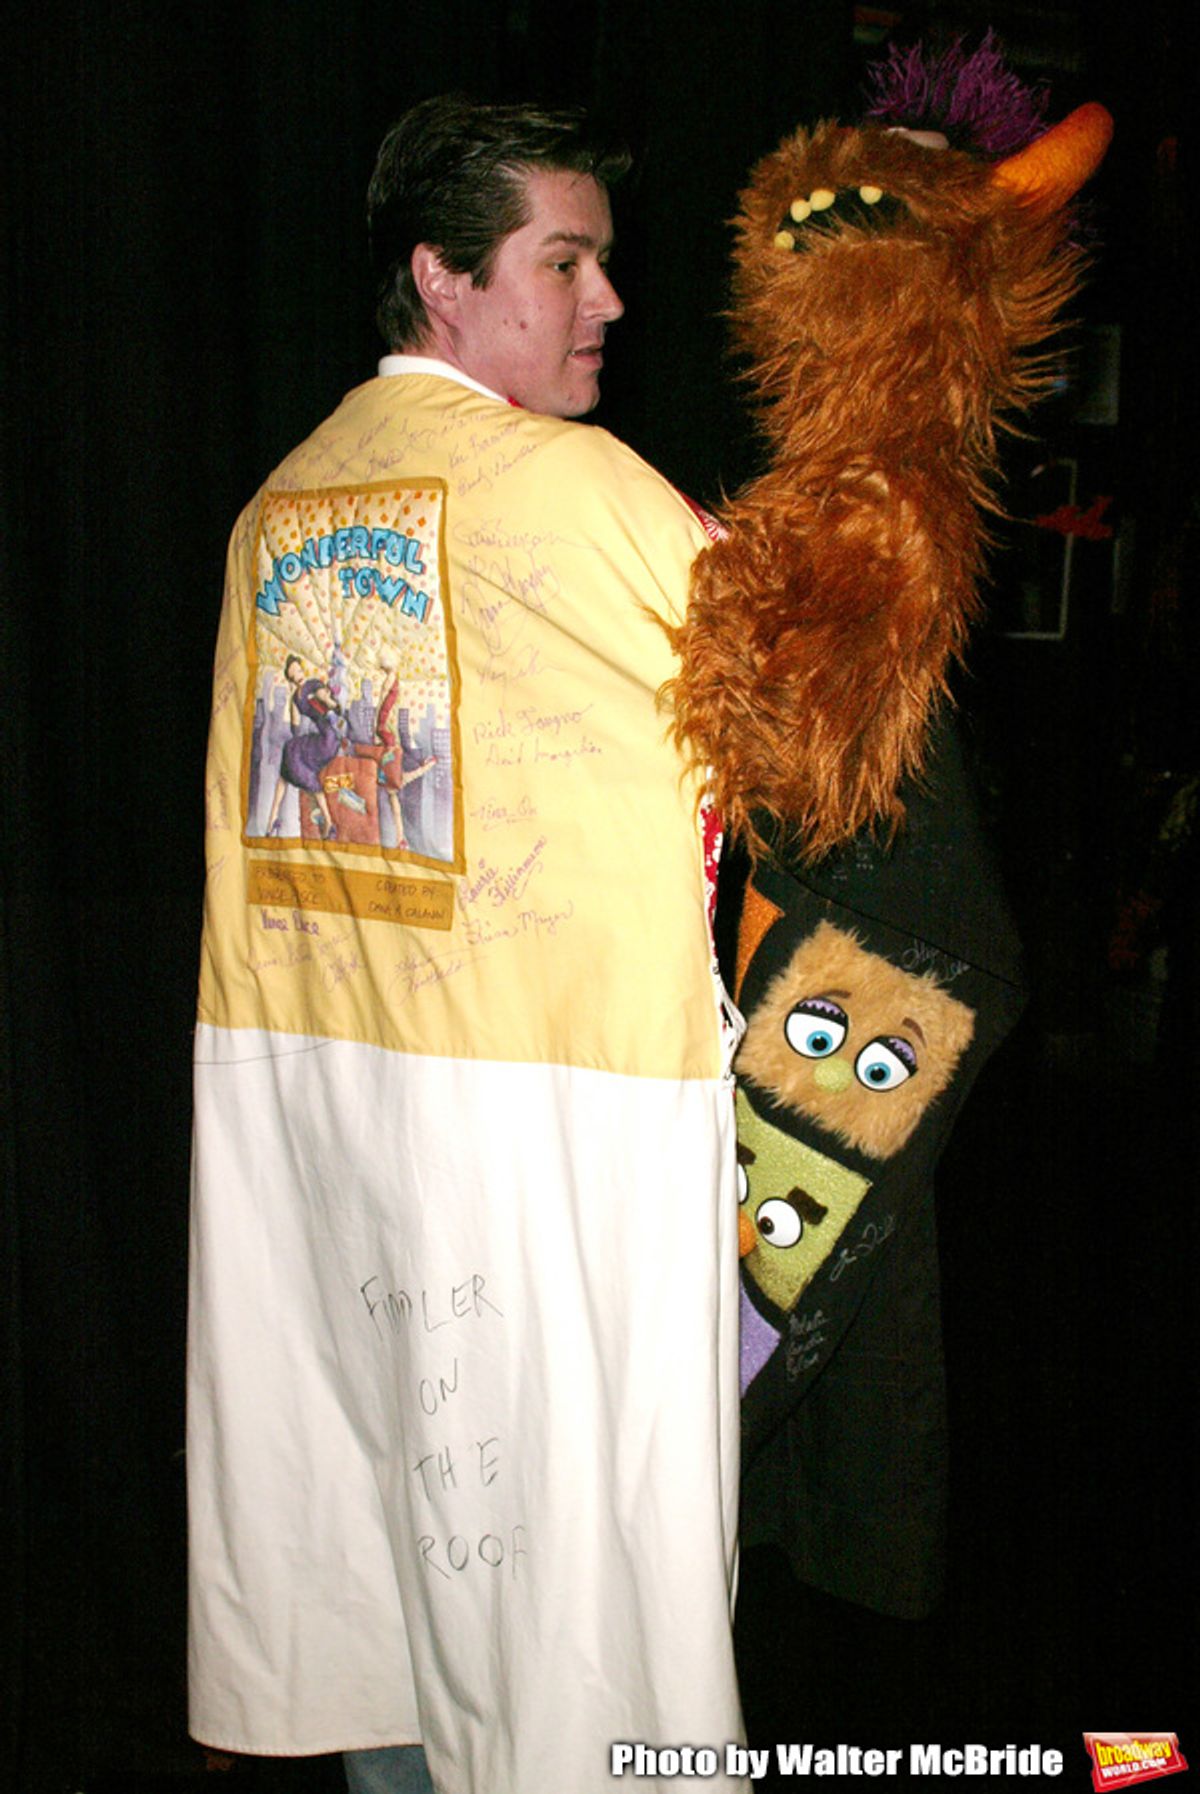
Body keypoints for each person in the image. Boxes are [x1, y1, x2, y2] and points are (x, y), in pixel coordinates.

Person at [188, 97, 748, 1794]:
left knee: (386, 1532)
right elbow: (791, 731)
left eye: (603, 262)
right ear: (441, 276)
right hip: (540, 1126)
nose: (608, 303)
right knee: (561, 1577)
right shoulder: (588, 491)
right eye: (563, 262)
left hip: (319, 1120)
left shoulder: (279, 507)